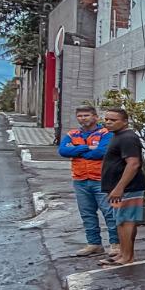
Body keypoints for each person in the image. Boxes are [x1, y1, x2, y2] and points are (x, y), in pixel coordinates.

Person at [59, 105, 117, 255]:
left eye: (86, 115)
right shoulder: (72, 134)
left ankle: (115, 244)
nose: (83, 118)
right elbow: (63, 151)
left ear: (95, 117)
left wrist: (77, 149)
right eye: (80, 116)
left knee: (109, 213)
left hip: (100, 179)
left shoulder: (106, 133)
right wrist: (87, 148)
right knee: (87, 213)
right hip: (80, 179)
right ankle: (94, 244)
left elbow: (102, 152)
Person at [99, 106, 145, 266]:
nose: (108, 122)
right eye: (106, 119)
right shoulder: (117, 136)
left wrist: (119, 187)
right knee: (120, 221)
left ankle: (128, 256)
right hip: (117, 189)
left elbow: (133, 164)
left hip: (128, 188)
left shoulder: (127, 138)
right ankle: (122, 253)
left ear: (125, 121)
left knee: (127, 221)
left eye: (113, 120)